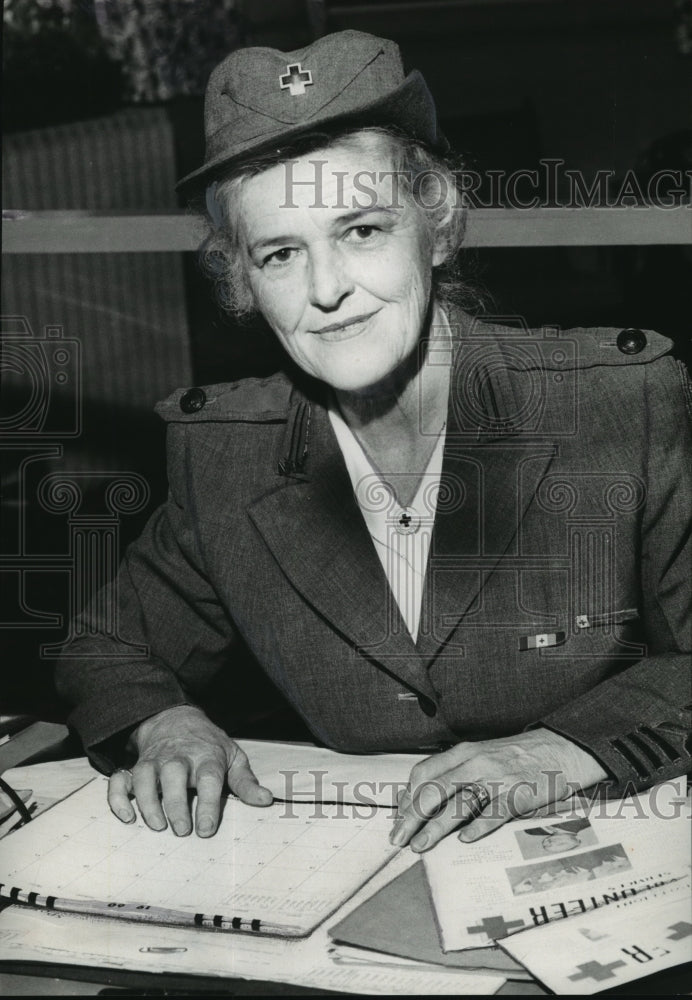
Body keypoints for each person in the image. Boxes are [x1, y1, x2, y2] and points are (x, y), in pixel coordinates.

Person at [56, 30, 691, 852]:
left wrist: (563, 749)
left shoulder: (617, 403)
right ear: (242, 282)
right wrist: (165, 723)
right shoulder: (226, 454)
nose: (327, 291)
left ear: (438, 225)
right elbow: (107, 649)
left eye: (361, 230)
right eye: (281, 253)